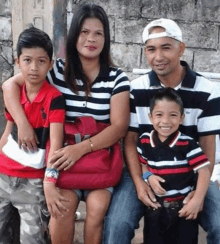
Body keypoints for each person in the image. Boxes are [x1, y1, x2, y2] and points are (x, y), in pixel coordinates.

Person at [2, 3, 130, 244]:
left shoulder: (117, 77)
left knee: (97, 208)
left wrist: (80, 149)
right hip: (61, 162)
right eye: (84, 32)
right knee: (61, 209)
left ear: (106, 38)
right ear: (74, 36)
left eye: (98, 33)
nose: (91, 39)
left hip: (99, 162)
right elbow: (9, 86)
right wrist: (23, 124)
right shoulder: (56, 70)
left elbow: (119, 127)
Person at [103, 18, 220, 244]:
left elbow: (208, 145)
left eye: (166, 47)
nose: (158, 57)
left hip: (191, 172)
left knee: (218, 224)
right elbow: (130, 140)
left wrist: (198, 193)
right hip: (143, 169)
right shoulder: (136, 89)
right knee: (117, 224)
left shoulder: (207, 91)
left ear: (181, 49)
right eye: (151, 49)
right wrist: (139, 182)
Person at [0, 26, 66, 243]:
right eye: (27, 60)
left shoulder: (54, 99)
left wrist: (50, 181)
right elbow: (8, 131)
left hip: (32, 183)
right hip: (3, 175)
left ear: (50, 63)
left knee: (32, 238)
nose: (34, 68)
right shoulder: (14, 94)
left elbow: (55, 144)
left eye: (41, 61)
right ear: (18, 62)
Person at [138, 88, 210, 244]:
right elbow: (143, 165)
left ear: (181, 118)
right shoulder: (144, 141)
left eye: (173, 115)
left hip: (183, 209)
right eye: (159, 115)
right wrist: (148, 176)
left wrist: (197, 200)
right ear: (150, 117)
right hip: (155, 210)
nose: (165, 121)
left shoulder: (187, 143)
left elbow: (204, 171)